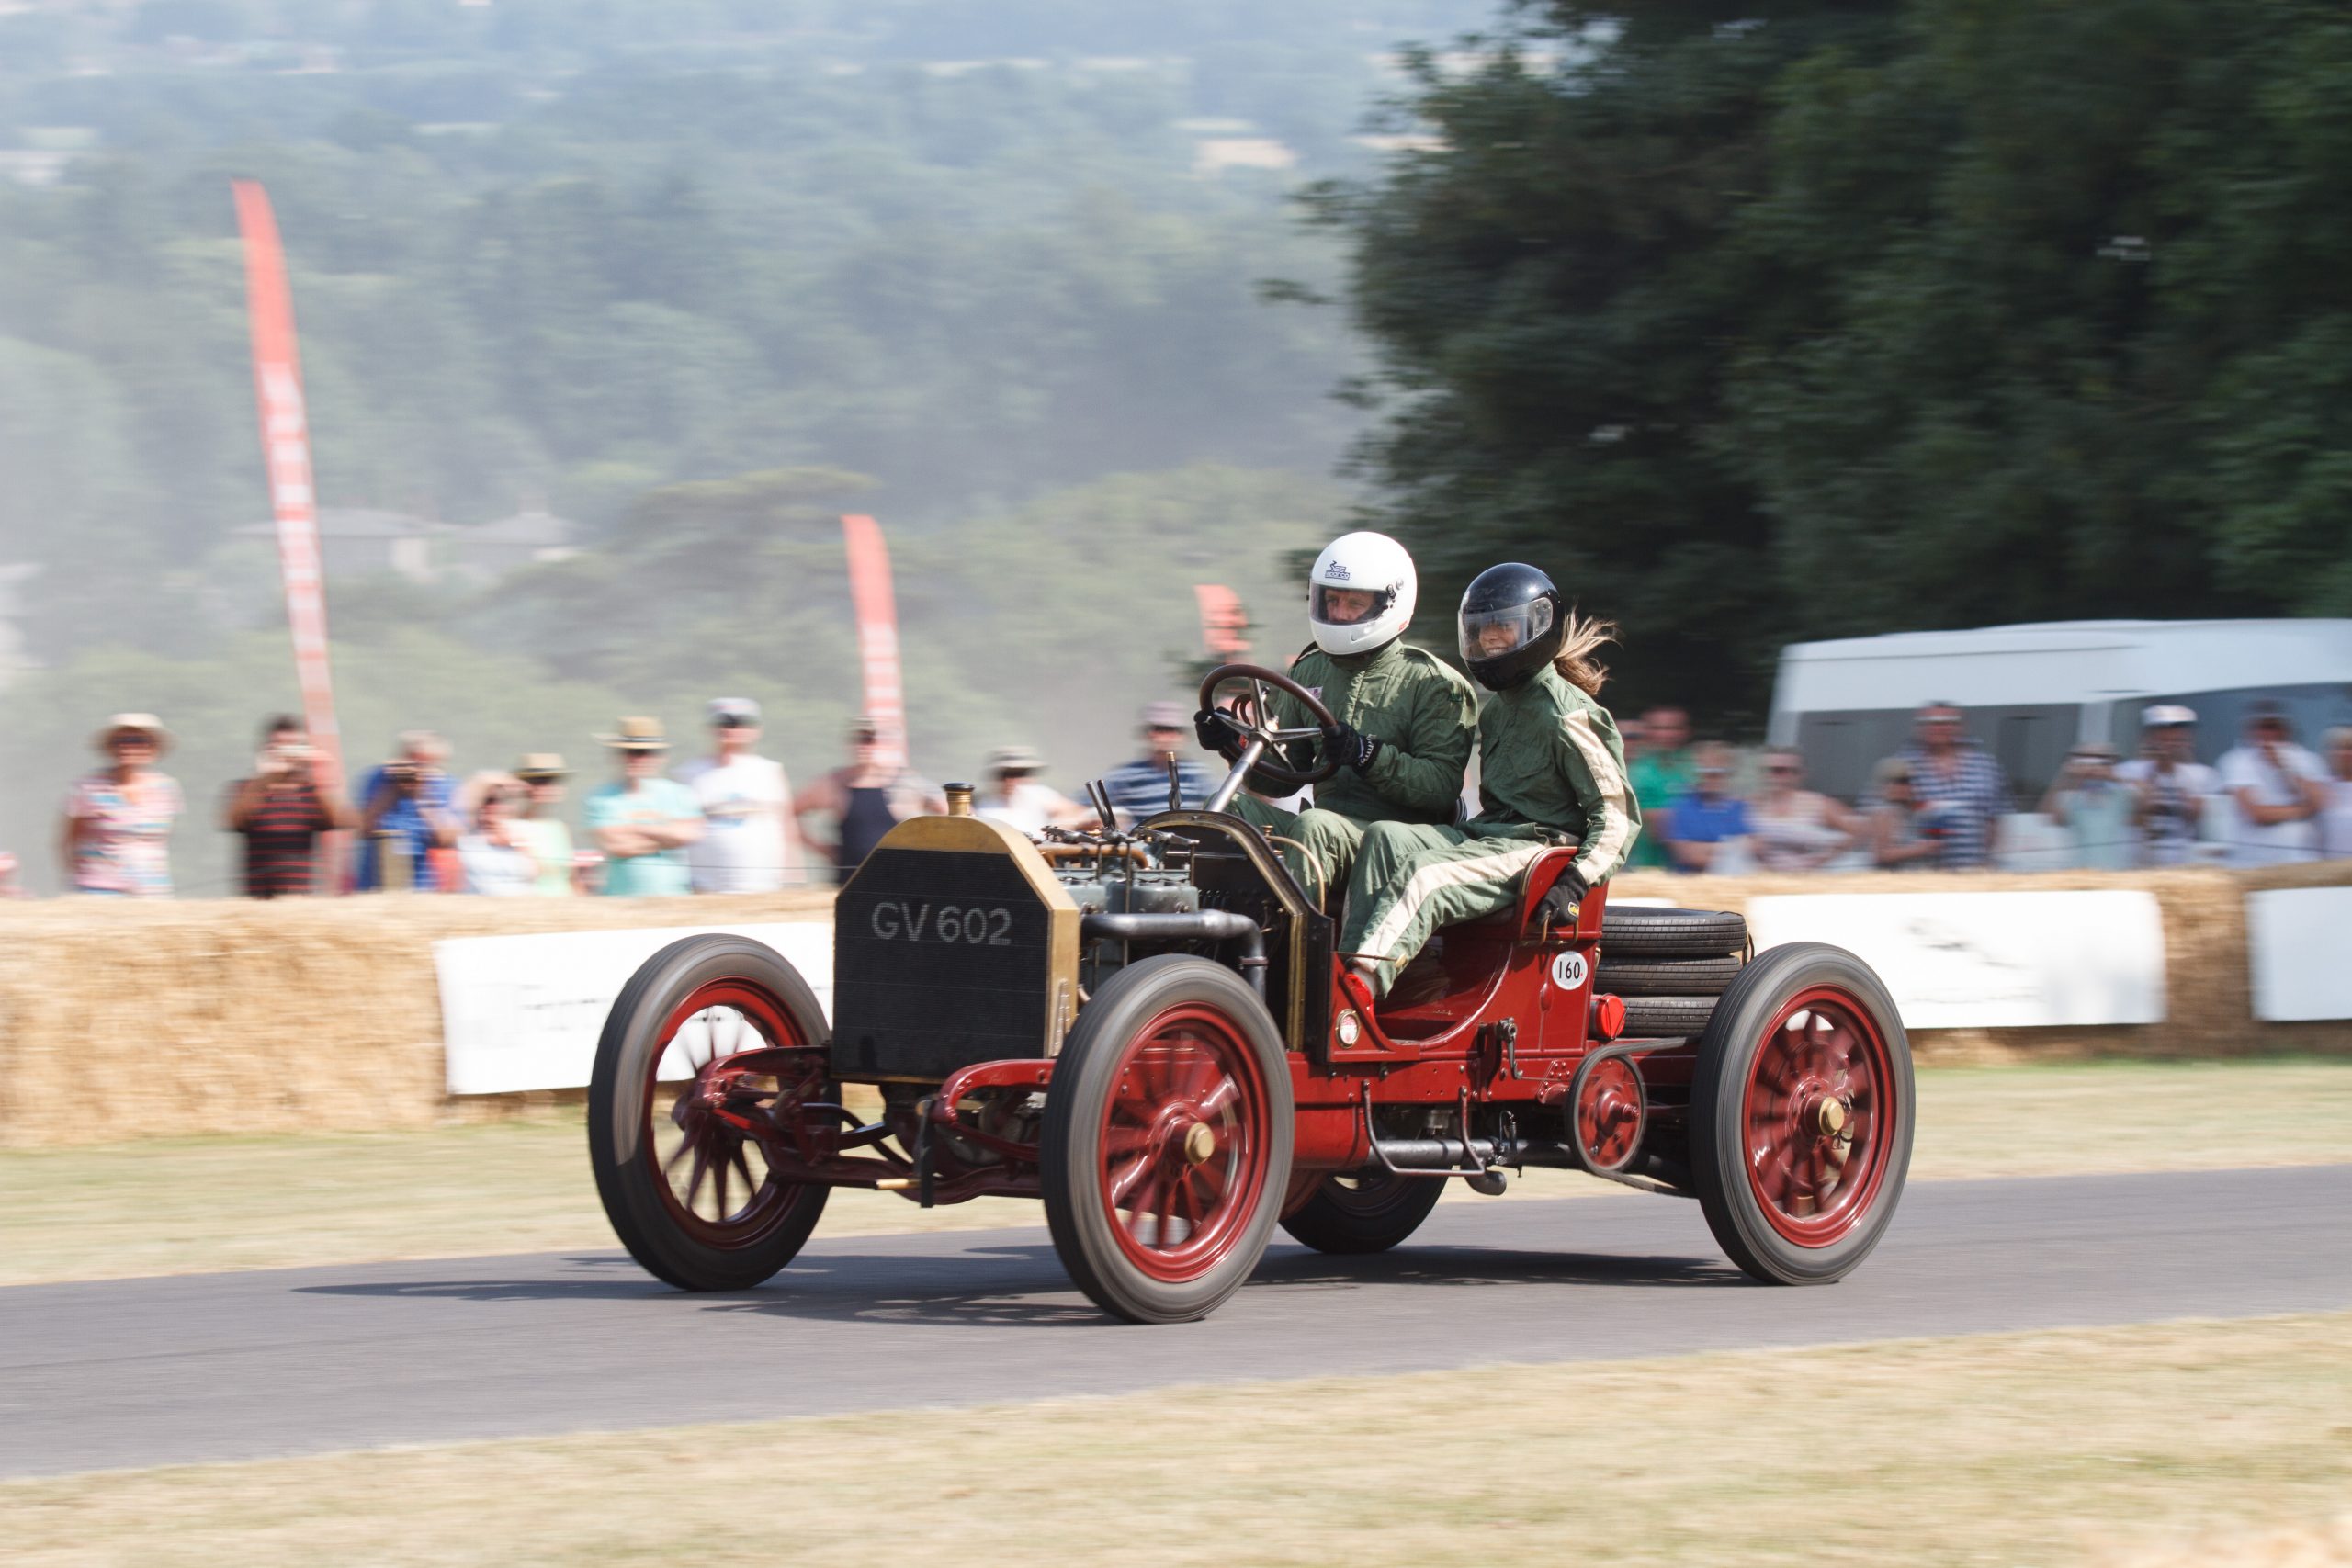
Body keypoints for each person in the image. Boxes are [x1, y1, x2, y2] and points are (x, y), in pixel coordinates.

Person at [1339, 563, 1638, 999]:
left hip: (1537, 850)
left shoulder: (1568, 711)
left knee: (1426, 876)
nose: (1489, 638)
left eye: (1502, 625)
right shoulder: (1496, 711)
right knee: (1384, 837)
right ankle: (1389, 977)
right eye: (1480, 629)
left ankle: (1355, 993)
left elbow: (1616, 816)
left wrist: (1575, 882)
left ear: (1536, 626)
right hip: (1489, 837)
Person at [1193, 530, 1479, 903]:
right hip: (1324, 831)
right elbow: (1285, 780)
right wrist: (1232, 747)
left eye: (1354, 603)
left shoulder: (1435, 684)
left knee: (1315, 825)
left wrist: (1368, 756)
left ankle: (1289, 950)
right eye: (1332, 600)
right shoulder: (1309, 671)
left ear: (1388, 604)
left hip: (1396, 839)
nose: (1339, 613)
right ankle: (1211, 929)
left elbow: (1440, 788)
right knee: (1224, 808)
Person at [792, 716, 947, 884]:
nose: (863, 746)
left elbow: (950, 811)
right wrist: (821, 848)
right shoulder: (835, 784)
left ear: (885, 743)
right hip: (850, 884)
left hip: (902, 883)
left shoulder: (909, 784)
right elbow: (792, 812)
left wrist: (932, 853)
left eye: (870, 739)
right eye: (858, 739)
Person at [222, 716, 352, 897]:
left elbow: (341, 820)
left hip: (298, 898)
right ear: (265, 750)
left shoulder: (311, 792)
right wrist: (266, 777)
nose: (286, 754)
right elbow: (233, 821)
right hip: (256, 897)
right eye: (279, 746)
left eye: (292, 746)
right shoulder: (247, 788)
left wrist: (320, 774)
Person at [676, 697, 797, 893]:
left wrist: (793, 878)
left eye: (739, 723)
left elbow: (788, 825)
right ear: (710, 728)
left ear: (756, 730)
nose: (730, 729)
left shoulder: (770, 771)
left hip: (764, 886)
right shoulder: (688, 773)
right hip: (706, 887)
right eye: (723, 723)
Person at [60, 713, 182, 897]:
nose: (128, 747)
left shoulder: (167, 788)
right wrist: (75, 877)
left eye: (138, 740)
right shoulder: (88, 787)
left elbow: (161, 839)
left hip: (152, 889)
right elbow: (68, 840)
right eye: (120, 741)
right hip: (98, 889)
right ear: (109, 748)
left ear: (152, 748)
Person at [584, 716, 704, 896]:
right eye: (630, 752)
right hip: (619, 900)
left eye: (644, 752)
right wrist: (667, 839)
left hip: (674, 898)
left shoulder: (679, 793)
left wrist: (631, 829)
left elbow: (689, 834)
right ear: (617, 755)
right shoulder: (599, 797)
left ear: (659, 757)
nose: (636, 759)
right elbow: (615, 845)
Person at [1894, 701, 2010, 869]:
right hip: (1922, 872)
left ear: (1960, 726)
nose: (1939, 728)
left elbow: (1994, 818)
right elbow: (1887, 816)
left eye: (1948, 721)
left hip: (1973, 869)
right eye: (1932, 723)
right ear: (1920, 728)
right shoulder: (1903, 765)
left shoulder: (1985, 765)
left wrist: (1988, 858)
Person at [2216, 702, 2328, 866]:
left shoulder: (2308, 759)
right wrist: (2305, 809)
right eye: (2261, 727)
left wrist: (2284, 768)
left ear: (2285, 729)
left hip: (2302, 858)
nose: (2268, 733)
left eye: (2273, 726)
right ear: (2251, 730)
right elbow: (2257, 813)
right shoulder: (2236, 760)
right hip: (2254, 861)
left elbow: (2320, 802)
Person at [354, 731, 460, 891]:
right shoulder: (378, 779)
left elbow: (446, 840)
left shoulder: (446, 785)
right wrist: (391, 789)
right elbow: (363, 829)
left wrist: (421, 796)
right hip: (374, 883)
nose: (416, 767)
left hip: (420, 886)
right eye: (412, 758)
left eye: (424, 762)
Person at [2116, 705, 2220, 867]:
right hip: (2139, 861)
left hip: (2183, 862)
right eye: (2163, 731)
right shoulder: (2128, 770)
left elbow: (2196, 817)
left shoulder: (2202, 774)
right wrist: (2154, 770)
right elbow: (2131, 815)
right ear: (2150, 736)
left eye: (2178, 731)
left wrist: (2175, 770)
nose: (2171, 738)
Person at [1100, 702, 1220, 827]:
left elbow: (1219, 809)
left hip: (1187, 840)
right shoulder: (1125, 774)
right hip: (1140, 842)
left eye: (1172, 730)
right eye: (1159, 729)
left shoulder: (1198, 773)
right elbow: (1083, 805)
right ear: (1148, 734)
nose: (1166, 736)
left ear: (1182, 735)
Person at [1747, 746, 1859, 872]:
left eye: (1780, 770)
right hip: (1762, 879)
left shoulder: (1818, 803)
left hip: (1804, 880)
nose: (1772, 776)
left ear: (1799, 774)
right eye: (1766, 770)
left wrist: (1823, 859)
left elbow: (1855, 832)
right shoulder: (1751, 804)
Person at [2038, 742, 2137, 870]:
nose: (2093, 765)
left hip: (2115, 872)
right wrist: (2067, 775)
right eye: (2086, 759)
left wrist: (2113, 775)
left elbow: (2146, 800)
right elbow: (2049, 816)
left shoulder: (2121, 795)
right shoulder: (2071, 796)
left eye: (2101, 760)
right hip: (2079, 872)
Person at [1661, 742, 1753, 874]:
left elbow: (1755, 847)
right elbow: (1689, 855)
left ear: (1727, 774)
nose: (1709, 778)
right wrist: (1734, 849)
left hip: (1733, 884)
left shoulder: (1739, 807)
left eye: (1716, 773)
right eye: (1704, 772)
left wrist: (1707, 849)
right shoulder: (1679, 807)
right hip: (1690, 884)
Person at [1624, 705, 1692, 870]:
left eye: (1673, 728)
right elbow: (1658, 828)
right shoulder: (1637, 773)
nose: (1666, 735)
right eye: (1659, 728)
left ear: (1686, 732)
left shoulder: (1692, 766)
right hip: (1646, 867)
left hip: (1689, 870)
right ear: (1647, 732)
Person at [977, 746, 1089, 835]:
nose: (1011, 780)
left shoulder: (1038, 795)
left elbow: (1078, 812)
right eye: (1006, 774)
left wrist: (1064, 823)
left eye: (1018, 774)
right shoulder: (978, 802)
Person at [456, 774, 538, 896]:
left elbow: (535, 872)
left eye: (502, 801)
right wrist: (504, 781)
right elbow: (469, 793)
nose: (493, 806)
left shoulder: (520, 833)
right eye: (488, 801)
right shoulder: (469, 836)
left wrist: (515, 843)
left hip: (520, 905)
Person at [510, 753, 578, 895]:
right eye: (537, 781)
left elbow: (572, 878)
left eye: (551, 781)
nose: (545, 787)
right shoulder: (512, 826)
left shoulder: (559, 828)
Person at [1864, 757, 1940, 871]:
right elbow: (1881, 854)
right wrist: (1921, 849)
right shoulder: (1884, 812)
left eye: (1908, 781)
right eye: (1899, 782)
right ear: (1885, 785)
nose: (1905, 787)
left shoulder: (1904, 810)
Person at [2320, 726, 2352, 860]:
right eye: (2339, 748)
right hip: (2331, 874)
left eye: (2349, 748)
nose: (2344, 754)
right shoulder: (2319, 788)